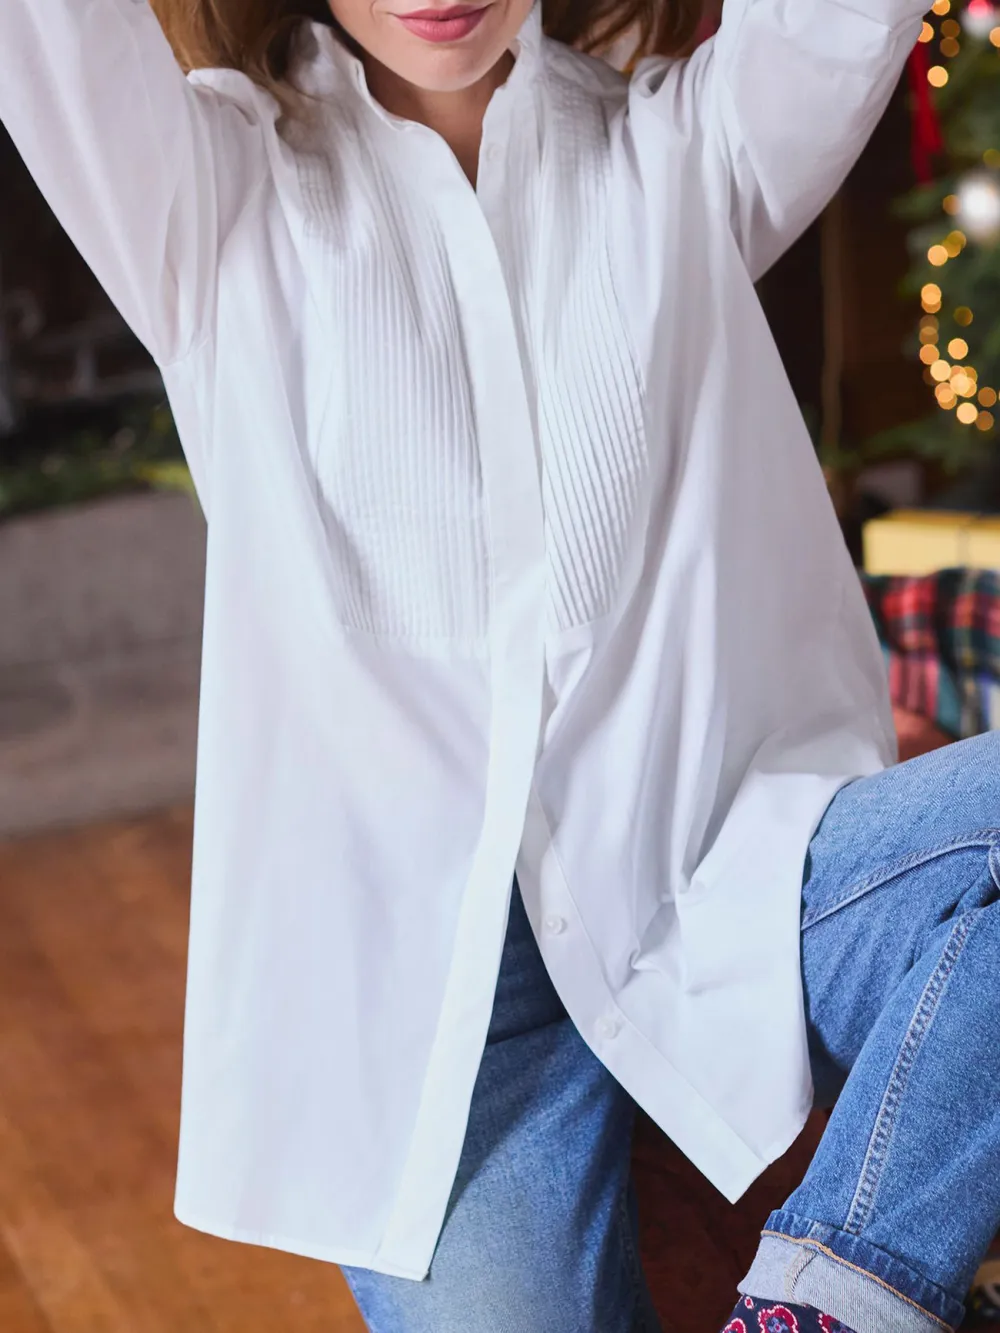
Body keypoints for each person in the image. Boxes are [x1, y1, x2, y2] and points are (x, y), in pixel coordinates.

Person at [2, 1, 997, 1330]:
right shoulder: (204, 197)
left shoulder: (685, 153)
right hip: (445, 1040)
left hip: (740, 895)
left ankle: (835, 1295)